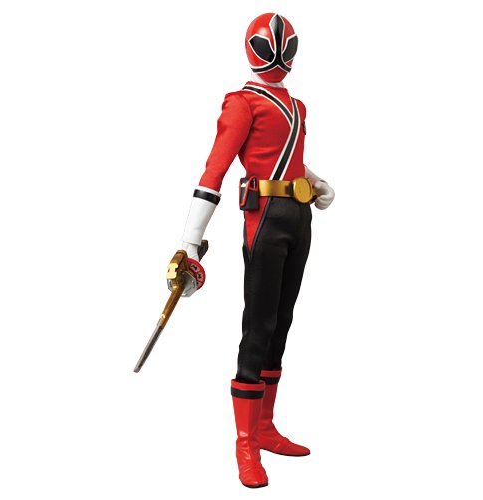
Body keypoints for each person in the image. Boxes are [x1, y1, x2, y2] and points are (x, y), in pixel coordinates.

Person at [179, 13, 335, 488]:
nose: (280, 57)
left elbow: (291, 161)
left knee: (282, 322)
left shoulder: (297, 106)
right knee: (259, 325)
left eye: (286, 48)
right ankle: (245, 442)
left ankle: (265, 427)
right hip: (263, 219)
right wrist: (189, 242)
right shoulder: (242, 103)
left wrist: (315, 181)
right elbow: (215, 171)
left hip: (298, 217)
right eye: (273, 48)